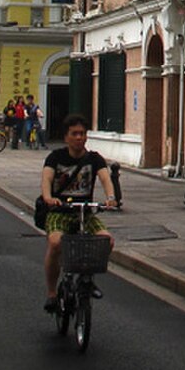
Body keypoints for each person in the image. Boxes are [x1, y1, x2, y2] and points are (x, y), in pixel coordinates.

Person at [41, 115, 118, 312]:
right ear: (66, 137)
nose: (79, 138)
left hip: (85, 212)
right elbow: (47, 179)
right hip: (60, 211)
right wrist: (49, 197)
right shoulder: (56, 157)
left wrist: (110, 197)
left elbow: (105, 178)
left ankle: (88, 279)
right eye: (74, 134)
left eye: (82, 134)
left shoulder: (94, 159)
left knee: (106, 240)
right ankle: (51, 293)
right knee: (56, 242)